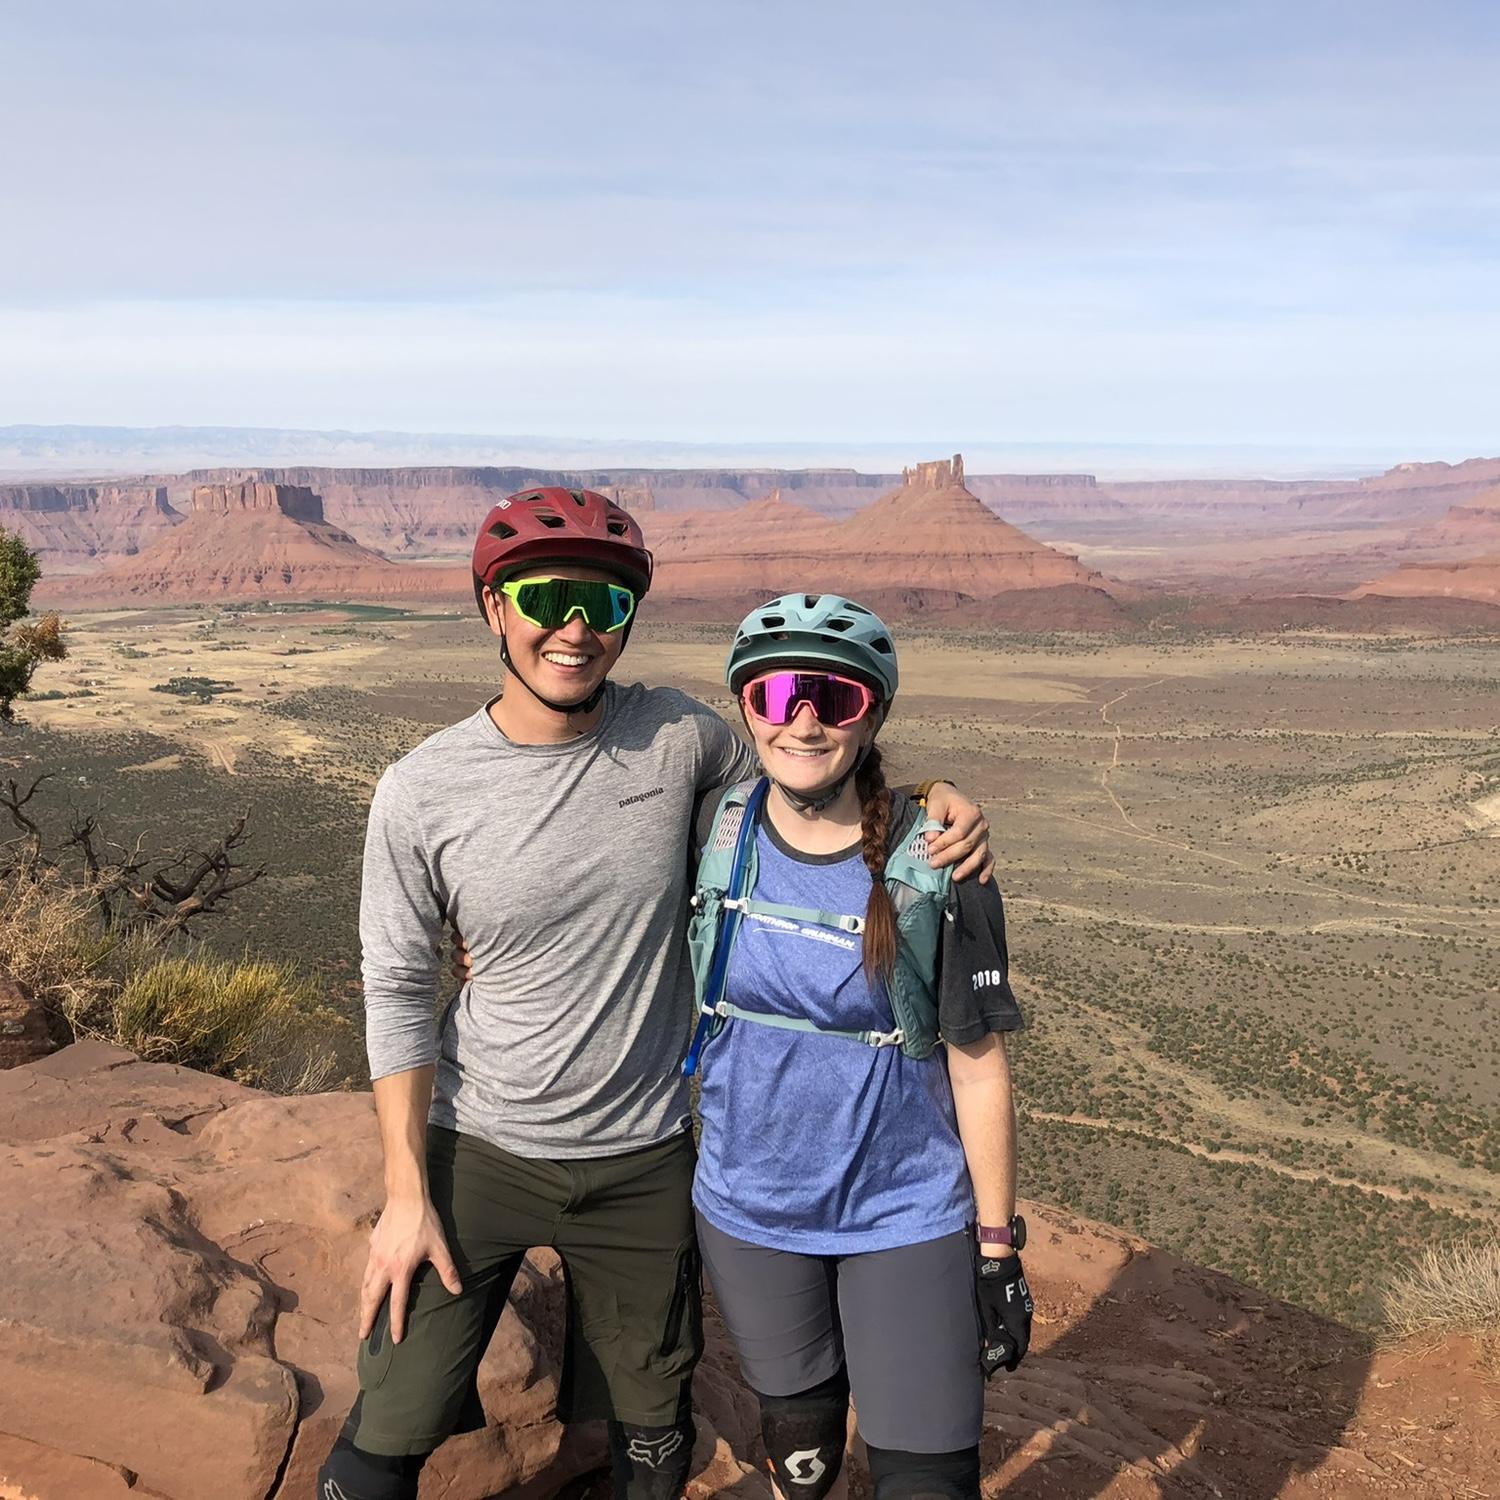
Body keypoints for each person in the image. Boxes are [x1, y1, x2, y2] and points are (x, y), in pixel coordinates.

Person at [317, 490, 995, 1500]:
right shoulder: (423, 789)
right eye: (548, 596)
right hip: (481, 1149)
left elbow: (805, 775)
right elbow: (400, 988)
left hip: (643, 1162)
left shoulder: (680, 739)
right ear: (493, 606)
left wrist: (942, 803)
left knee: (652, 1440)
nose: (577, 626)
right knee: (388, 1432)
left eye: (605, 601)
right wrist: (407, 1193)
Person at [684, 594, 1031, 1500]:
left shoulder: (938, 863)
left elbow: (979, 1062)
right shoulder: (710, 830)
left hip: (902, 1215)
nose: (802, 720)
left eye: (833, 699)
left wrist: (996, 1247)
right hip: (749, 1212)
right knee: (799, 1459)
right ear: (746, 709)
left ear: (871, 713)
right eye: (778, 694)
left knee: (927, 1479)